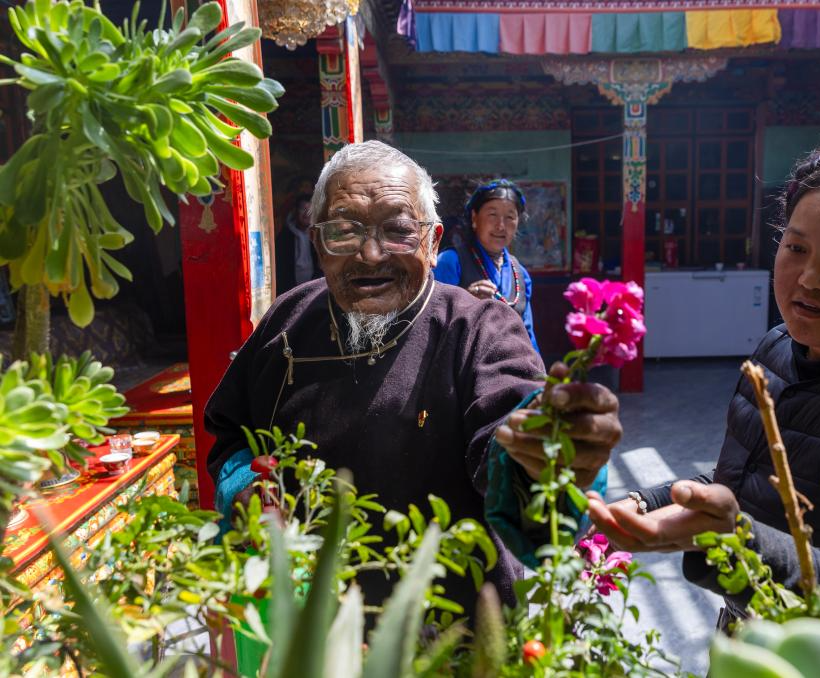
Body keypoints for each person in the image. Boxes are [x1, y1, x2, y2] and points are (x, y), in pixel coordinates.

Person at [204, 141, 619, 613]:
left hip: (449, 627)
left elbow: (506, 429)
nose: (370, 254)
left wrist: (546, 452)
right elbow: (231, 431)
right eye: (344, 231)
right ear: (318, 242)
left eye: (399, 230)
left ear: (433, 241)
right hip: (308, 622)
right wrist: (248, 490)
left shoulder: (479, 328)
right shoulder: (289, 319)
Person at [581, 136, 820, 624]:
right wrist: (648, 501)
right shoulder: (776, 349)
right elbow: (742, 484)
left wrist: (739, 545)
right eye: (796, 247)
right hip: (748, 642)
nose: (810, 278)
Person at [433, 180, 539, 352]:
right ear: (474, 218)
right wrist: (465, 302)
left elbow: (528, 336)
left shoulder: (520, 273)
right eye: (492, 215)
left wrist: (539, 369)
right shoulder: (450, 261)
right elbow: (431, 321)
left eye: (510, 217)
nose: (501, 226)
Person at [275, 194, 323, 295]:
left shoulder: (318, 235)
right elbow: (280, 269)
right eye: (303, 209)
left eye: (310, 210)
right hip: (289, 292)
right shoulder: (284, 236)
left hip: (315, 290)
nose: (307, 214)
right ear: (295, 211)